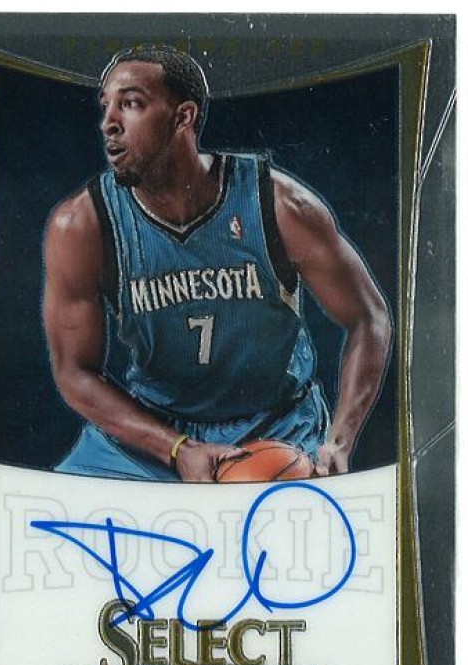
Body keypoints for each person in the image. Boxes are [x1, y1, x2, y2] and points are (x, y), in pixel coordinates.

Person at [43, 45, 392, 483]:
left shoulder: (280, 206)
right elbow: (73, 370)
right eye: (106, 105)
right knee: (54, 520)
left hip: (273, 425)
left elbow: (369, 317)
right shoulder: (83, 224)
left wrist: (339, 441)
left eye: (130, 103)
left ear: (183, 117)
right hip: (151, 431)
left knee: (286, 515)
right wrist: (175, 448)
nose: (108, 123)